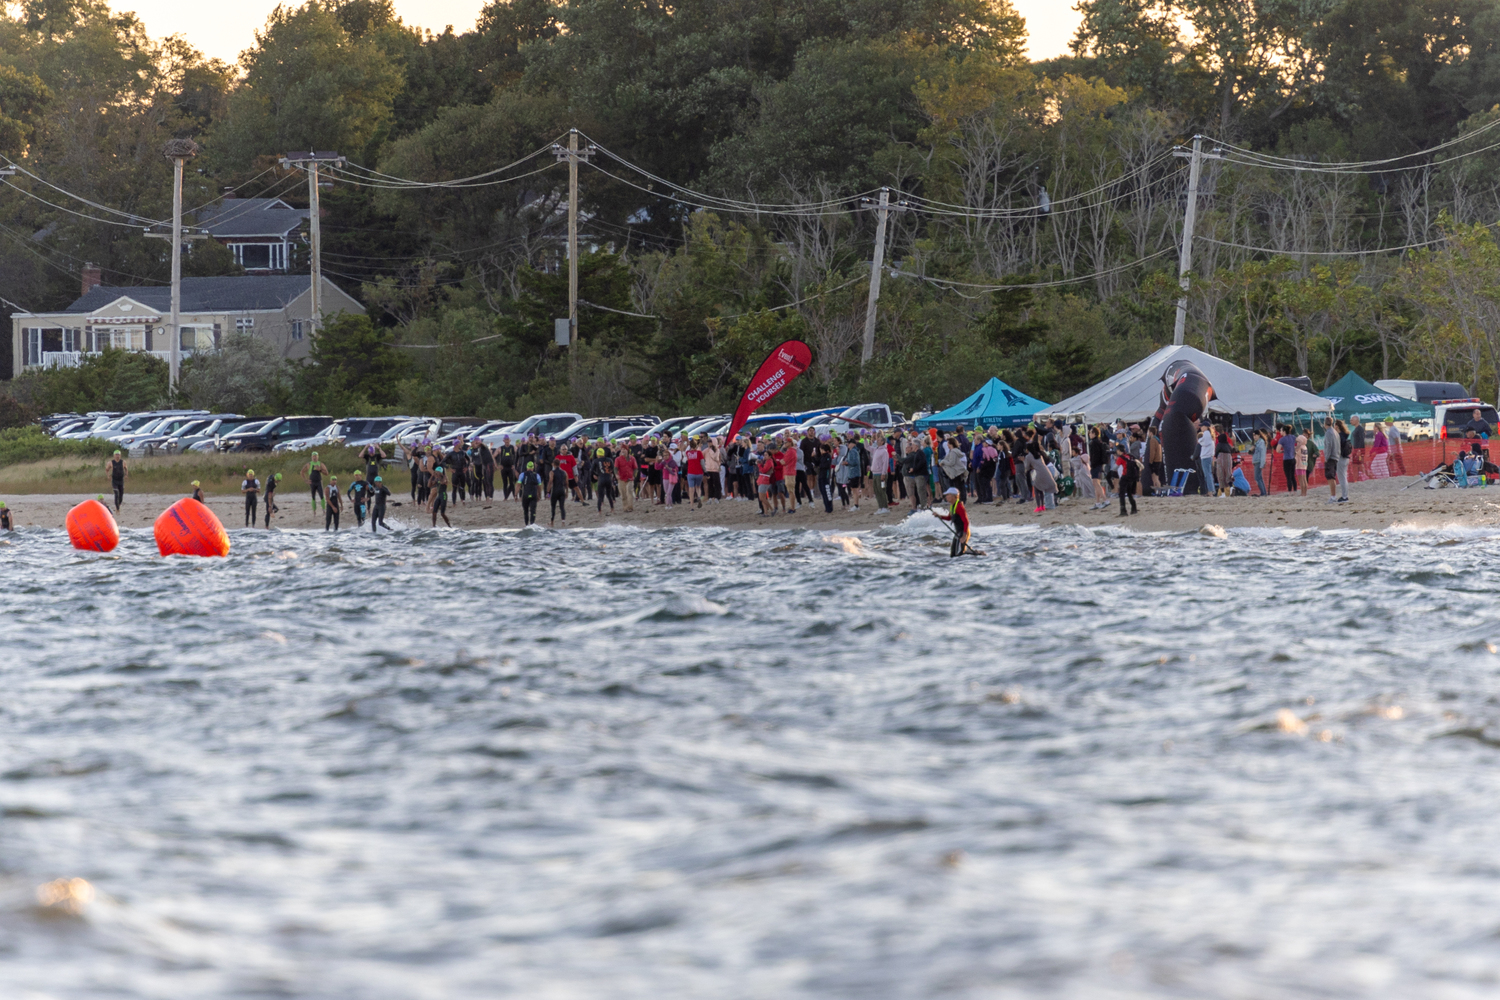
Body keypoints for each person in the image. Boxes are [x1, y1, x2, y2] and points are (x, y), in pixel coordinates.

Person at [934, 486, 971, 556]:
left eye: (948, 495)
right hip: (958, 532)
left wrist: (964, 536)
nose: (946, 497)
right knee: (953, 554)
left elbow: (966, 522)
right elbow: (949, 518)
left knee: (959, 554)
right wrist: (939, 516)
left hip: (963, 532)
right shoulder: (952, 506)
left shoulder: (959, 506)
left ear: (954, 496)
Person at [902, 434, 932, 510]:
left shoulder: (920, 453)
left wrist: (914, 469)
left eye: (913, 444)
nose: (911, 445)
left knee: (921, 491)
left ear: (916, 446)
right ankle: (923, 506)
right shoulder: (917, 453)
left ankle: (924, 506)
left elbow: (921, 463)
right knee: (919, 491)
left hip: (921, 474)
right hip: (917, 474)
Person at [1116, 445, 1140, 515]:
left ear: (1119, 451)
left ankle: (1123, 510)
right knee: (1130, 493)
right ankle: (1134, 508)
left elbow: (1115, 468)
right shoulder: (1130, 456)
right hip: (1132, 477)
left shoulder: (1121, 458)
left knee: (1122, 493)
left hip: (1125, 476)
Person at [518, 461, 542, 526]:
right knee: (533, 510)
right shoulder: (537, 475)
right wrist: (539, 495)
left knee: (526, 511)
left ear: (527, 467)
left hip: (525, 495)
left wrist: (515, 494)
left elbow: (518, 484)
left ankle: (526, 525)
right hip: (534, 495)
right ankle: (532, 524)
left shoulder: (522, 474)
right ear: (533, 468)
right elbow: (539, 486)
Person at [614, 447, 637, 512]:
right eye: (622, 449)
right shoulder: (618, 459)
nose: (623, 451)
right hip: (621, 478)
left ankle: (630, 507)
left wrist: (634, 475)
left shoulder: (632, 458)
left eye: (624, 449)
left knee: (629, 492)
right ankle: (625, 507)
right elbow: (615, 468)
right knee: (623, 494)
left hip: (630, 478)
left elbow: (635, 468)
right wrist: (616, 474)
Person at [548, 458, 569, 526]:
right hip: (562, 490)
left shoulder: (552, 472)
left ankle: (552, 522)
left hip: (555, 491)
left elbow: (551, 481)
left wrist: (548, 492)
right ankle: (563, 522)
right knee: (562, 507)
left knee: (553, 507)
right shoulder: (564, 472)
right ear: (559, 464)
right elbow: (566, 483)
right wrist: (567, 492)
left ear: (553, 464)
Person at [1197, 422, 1216, 496]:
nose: (1201, 428)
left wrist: (1200, 440)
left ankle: (1211, 491)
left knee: (1207, 474)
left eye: (1202, 426)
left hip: (1205, 456)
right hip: (1209, 456)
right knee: (1209, 474)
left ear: (1205, 427)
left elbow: (1204, 443)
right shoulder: (1209, 434)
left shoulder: (1206, 433)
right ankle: (1211, 490)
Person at [1279, 425, 1297, 493]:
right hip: (1293, 459)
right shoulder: (1293, 437)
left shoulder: (1282, 439)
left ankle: (1289, 491)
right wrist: (1295, 448)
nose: (1280, 432)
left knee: (1288, 476)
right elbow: (1300, 441)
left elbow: (1278, 449)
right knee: (1293, 476)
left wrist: (1282, 451)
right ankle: (1295, 490)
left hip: (1286, 459)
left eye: (1281, 430)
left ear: (1284, 431)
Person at [1251, 429, 1268, 496]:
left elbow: (1263, 453)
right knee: (1259, 478)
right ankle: (1263, 492)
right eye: (1253, 435)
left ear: (1259, 435)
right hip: (1256, 462)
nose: (1254, 437)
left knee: (1257, 478)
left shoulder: (1261, 442)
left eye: (1255, 435)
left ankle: (1263, 492)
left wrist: (1262, 464)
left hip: (1258, 462)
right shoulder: (1257, 443)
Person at [1294, 427, 1309, 495]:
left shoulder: (1299, 447)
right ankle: (1305, 492)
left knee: (1301, 480)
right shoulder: (1305, 447)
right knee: (1304, 479)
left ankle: (1302, 493)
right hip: (1304, 464)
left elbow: (1295, 453)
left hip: (1299, 464)